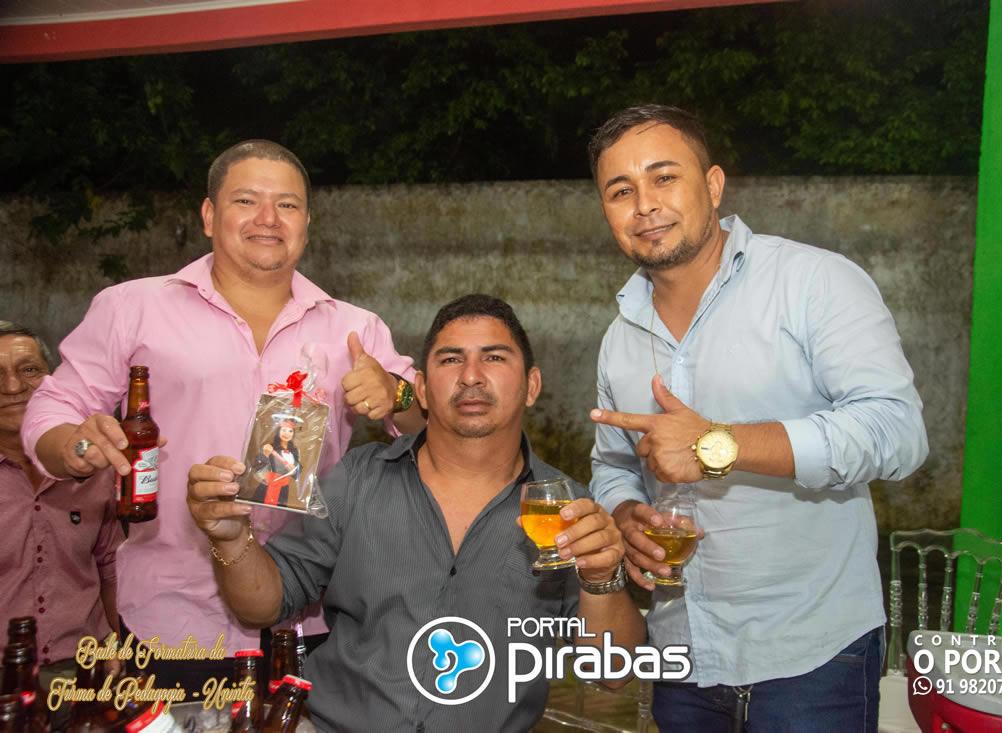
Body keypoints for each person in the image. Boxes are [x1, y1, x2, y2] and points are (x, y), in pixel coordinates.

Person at [21, 140, 424, 690]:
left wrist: (396, 393)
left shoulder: (353, 327)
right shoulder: (133, 308)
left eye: (287, 204)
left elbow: (427, 422)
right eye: (246, 201)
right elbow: (53, 407)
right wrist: (75, 447)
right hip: (173, 620)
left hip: (310, 616)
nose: (268, 218)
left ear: (307, 223)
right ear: (209, 216)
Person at [586, 105, 928, 731]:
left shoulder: (813, 282)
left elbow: (897, 430)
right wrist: (626, 514)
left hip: (812, 657)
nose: (645, 204)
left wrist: (719, 444)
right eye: (621, 190)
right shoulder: (620, 338)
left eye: (665, 177)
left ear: (713, 185)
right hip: (683, 655)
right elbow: (612, 465)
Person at [187, 294, 646, 731]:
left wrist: (601, 579)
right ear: (421, 389)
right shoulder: (358, 479)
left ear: (532, 386)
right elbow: (263, 605)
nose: (471, 376)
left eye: (493, 357)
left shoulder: (568, 510)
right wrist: (231, 538)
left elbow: (613, 671)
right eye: (450, 360)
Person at [0, 321, 123, 685]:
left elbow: (110, 565)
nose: (13, 387)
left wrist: (118, 646)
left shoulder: (92, 466)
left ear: (54, 383)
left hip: (86, 668)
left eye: (29, 370)